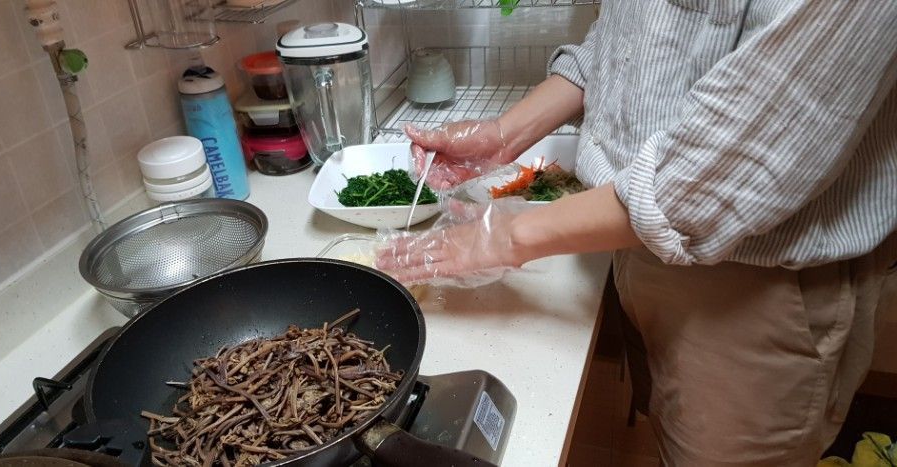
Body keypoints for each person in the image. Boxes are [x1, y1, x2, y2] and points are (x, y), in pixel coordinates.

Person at [376, 1, 897, 466]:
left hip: (751, 287)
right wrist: (503, 136)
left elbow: (730, 164)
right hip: (630, 235)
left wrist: (507, 235)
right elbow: (626, 37)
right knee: (669, 432)